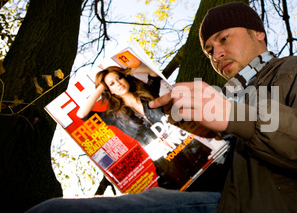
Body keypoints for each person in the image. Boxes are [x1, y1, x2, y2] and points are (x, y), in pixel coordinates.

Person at [0, 2, 297, 213]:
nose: (216, 53)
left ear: (258, 34)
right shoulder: (210, 98)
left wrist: (234, 115)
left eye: (223, 38)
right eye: (208, 49)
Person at [77, 65, 213, 189]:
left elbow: (153, 73)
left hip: (187, 146)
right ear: (109, 90)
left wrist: (128, 70)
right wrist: (100, 87)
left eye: (119, 78)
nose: (118, 83)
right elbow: (82, 114)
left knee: (215, 178)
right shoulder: (114, 116)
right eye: (112, 84)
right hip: (165, 162)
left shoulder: (147, 92)